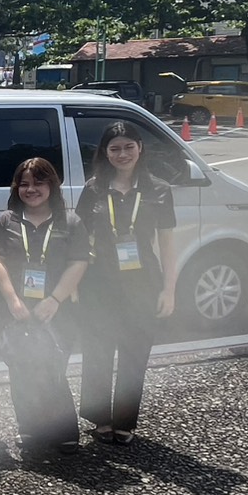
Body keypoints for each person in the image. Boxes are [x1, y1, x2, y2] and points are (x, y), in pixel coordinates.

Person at [75, 121, 177, 446]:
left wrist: (169, 290)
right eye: (115, 148)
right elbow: (78, 239)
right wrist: (74, 283)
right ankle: (100, 418)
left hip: (143, 284)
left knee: (135, 356)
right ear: (105, 153)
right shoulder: (93, 189)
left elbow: (167, 244)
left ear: (140, 148)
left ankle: (124, 421)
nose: (122, 154)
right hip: (98, 284)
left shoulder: (159, 189)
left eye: (128, 147)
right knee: (98, 352)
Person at [0, 157, 90, 454]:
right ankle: (29, 428)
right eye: (24, 184)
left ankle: (63, 430)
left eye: (39, 183)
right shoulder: (5, 221)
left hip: (58, 308)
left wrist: (55, 299)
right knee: (20, 368)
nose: (31, 189)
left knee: (53, 367)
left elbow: (79, 261)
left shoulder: (70, 222)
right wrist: (12, 300)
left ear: (52, 186)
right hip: (15, 309)